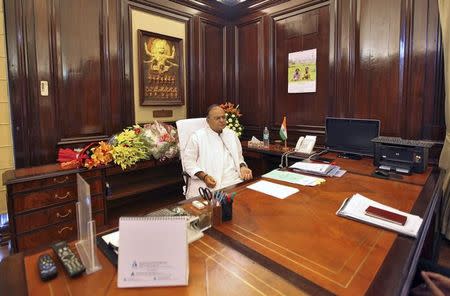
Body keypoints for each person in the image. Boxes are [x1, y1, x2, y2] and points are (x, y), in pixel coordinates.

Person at [183, 105, 253, 198]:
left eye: (223, 117)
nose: (222, 120)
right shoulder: (197, 137)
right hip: (208, 183)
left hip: (233, 182)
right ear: (208, 121)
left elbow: (239, 158)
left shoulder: (231, 134)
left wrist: (243, 167)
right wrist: (204, 177)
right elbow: (188, 163)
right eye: (217, 118)